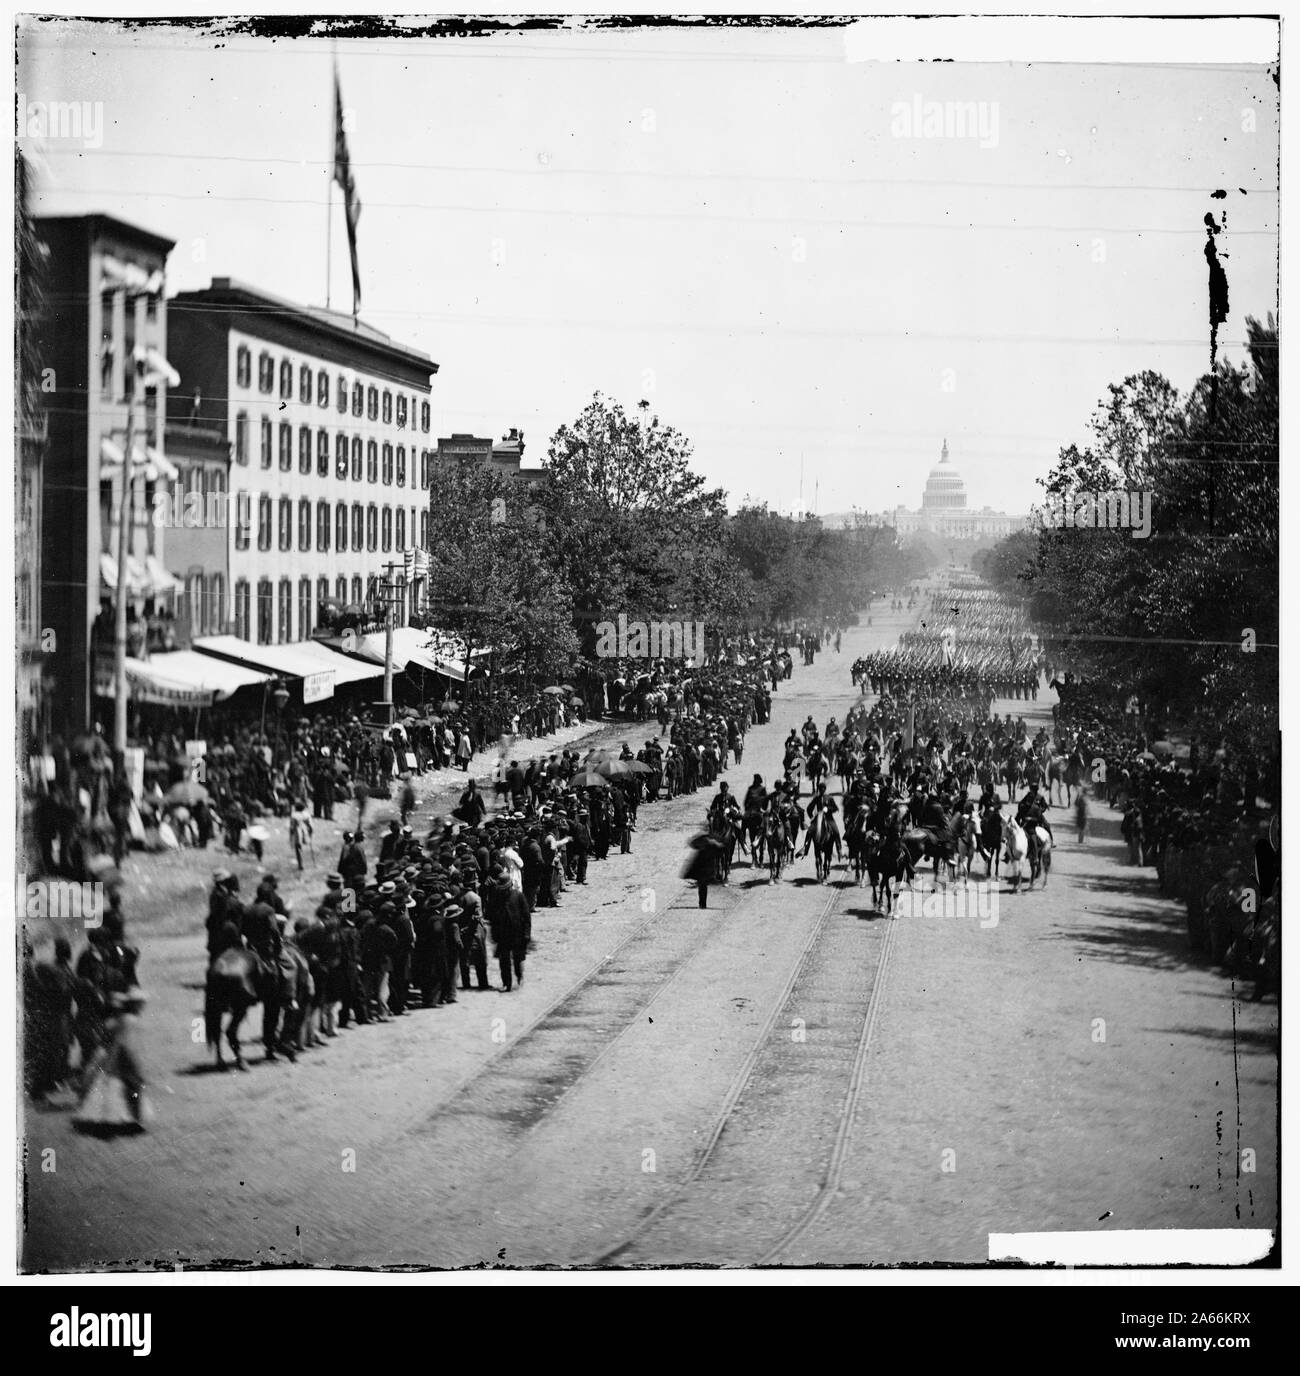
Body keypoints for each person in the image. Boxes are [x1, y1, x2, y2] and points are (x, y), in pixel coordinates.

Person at [485, 864, 530, 991]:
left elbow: (526, 917)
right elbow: (492, 918)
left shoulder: (518, 896)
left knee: (517, 959)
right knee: (504, 961)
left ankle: (519, 976)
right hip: (503, 934)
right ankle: (507, 983)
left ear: (510, 886)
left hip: (517, 933)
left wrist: (527, 933)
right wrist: (494, 934)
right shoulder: (495, 898)